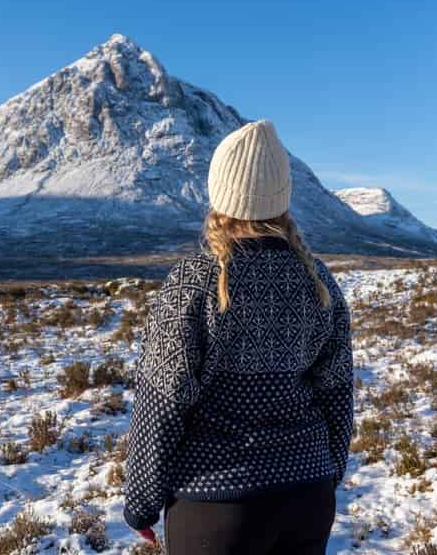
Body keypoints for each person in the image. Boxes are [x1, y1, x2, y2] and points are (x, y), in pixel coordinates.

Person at [122, 120, 354, 554]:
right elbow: (337, 391)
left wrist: (141, 503)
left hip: (217, 501)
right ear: (282, 198)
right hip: (308, 496)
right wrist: (324, 471)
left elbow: (163, 398)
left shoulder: (193, 281)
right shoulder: (317, 279)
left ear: (220, 195)